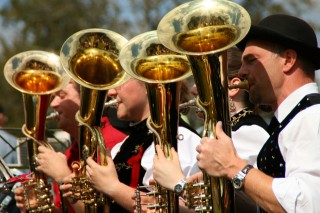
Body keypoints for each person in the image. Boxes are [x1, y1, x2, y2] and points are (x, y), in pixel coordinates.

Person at [196, 14, 320, 212]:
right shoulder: (291, 120)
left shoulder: (312, 116)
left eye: (251, 60)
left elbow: (308, 204)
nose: (242, 72)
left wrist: (231, 165)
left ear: (288, 60)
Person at [153, 46, 269, 213]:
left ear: (233, 87)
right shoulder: (229, 132)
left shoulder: (248, 132)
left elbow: (241, 207)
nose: (193, 89)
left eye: (200, 81)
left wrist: (178, 183)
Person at [60, 77, 201, 212]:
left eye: (121, 82)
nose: (111, 92)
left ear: (148, 83)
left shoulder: (181, 138)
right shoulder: (123, 144)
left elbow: (176, 208)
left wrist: (113, 187)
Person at [14, 80, 129, 213]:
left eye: (62, 96)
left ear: (87, 99)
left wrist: (63, 175)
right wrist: (43, 207)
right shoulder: (72, 151)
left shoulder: (111, 142)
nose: (53, 104)